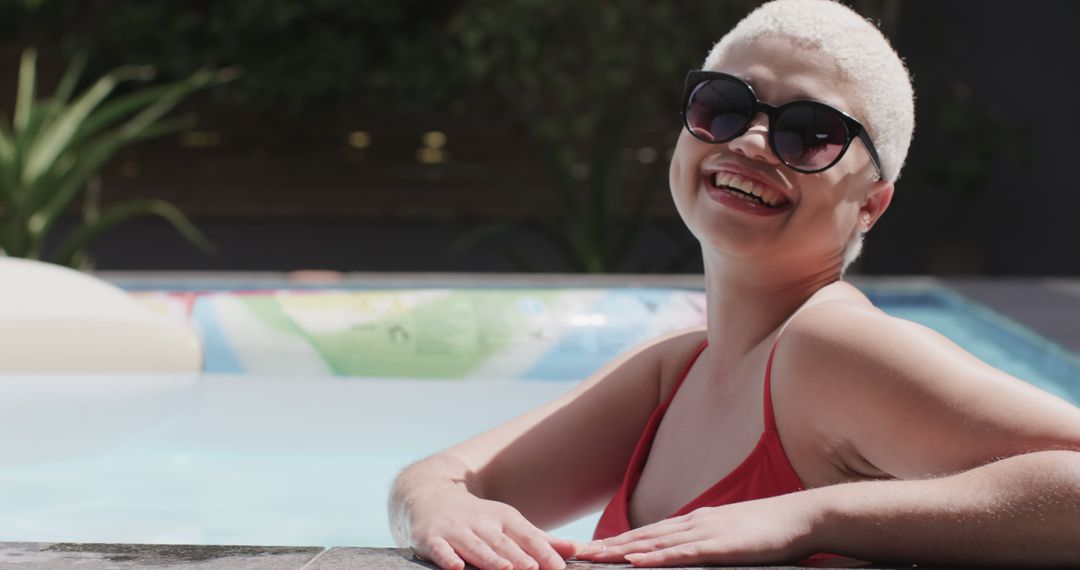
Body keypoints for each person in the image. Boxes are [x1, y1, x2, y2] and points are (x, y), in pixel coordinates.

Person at [389, 1, 1080, 568]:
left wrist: (812, 514)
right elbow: (441, 477)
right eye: (723, 105)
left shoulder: (829, 347)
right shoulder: (675, 368)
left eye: (809, 132)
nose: (749, 141)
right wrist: (439, 509)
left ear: (871, 203)